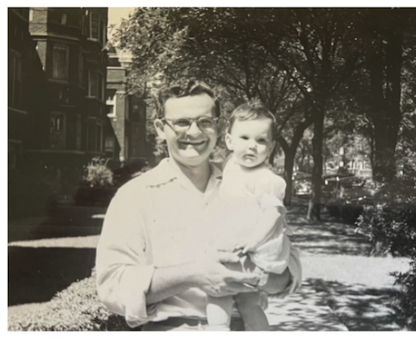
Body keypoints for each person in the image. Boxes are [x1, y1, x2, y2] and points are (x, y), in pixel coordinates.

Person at [96, 80, 302, 331]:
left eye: (205, 122)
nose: (194, 133)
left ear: (218, 128)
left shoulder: (248, 185)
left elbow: (288, 272)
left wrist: (255, 276)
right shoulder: (135, 196)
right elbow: (111, 287)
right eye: (182, 122)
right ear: (161, 128)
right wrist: (194, 275)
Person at [204, 101, 291, 331]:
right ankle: (219, 328)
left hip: (252, 248)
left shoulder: (266, 180)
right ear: (229, 141)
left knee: (238, 298)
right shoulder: (231, 166)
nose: (252, 146)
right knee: (227, 296)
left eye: (261, 141)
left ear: (271, 148)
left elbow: (273, 215)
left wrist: (253, 241)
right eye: (244, 138)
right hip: (231, 242)